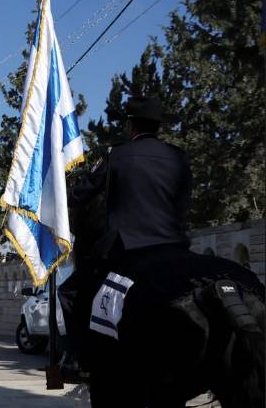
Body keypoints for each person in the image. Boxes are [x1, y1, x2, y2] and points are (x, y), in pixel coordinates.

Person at [60, 94, 191, 371]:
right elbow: (182, 205)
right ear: (158, 126)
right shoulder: (178, 157)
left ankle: (79, 359)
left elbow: (84, 191)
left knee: (70, 292)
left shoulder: (118, 155)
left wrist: (56, 195)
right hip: (174, 247)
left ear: (131, 125)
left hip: (127, 248)